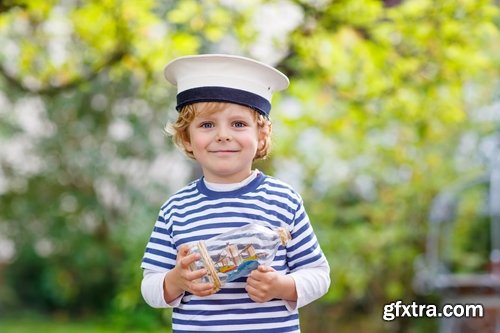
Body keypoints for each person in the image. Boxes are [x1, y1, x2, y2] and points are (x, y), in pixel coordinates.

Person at [140, 54, 330, 333]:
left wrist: (282, 286)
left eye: (238, 124)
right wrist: (175, 281)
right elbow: (150, 285)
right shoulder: (176, 208)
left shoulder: (283, 200)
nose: (223, 135)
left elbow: (318, 275)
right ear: (186, 138)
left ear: (262, 136)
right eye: (207, 125)